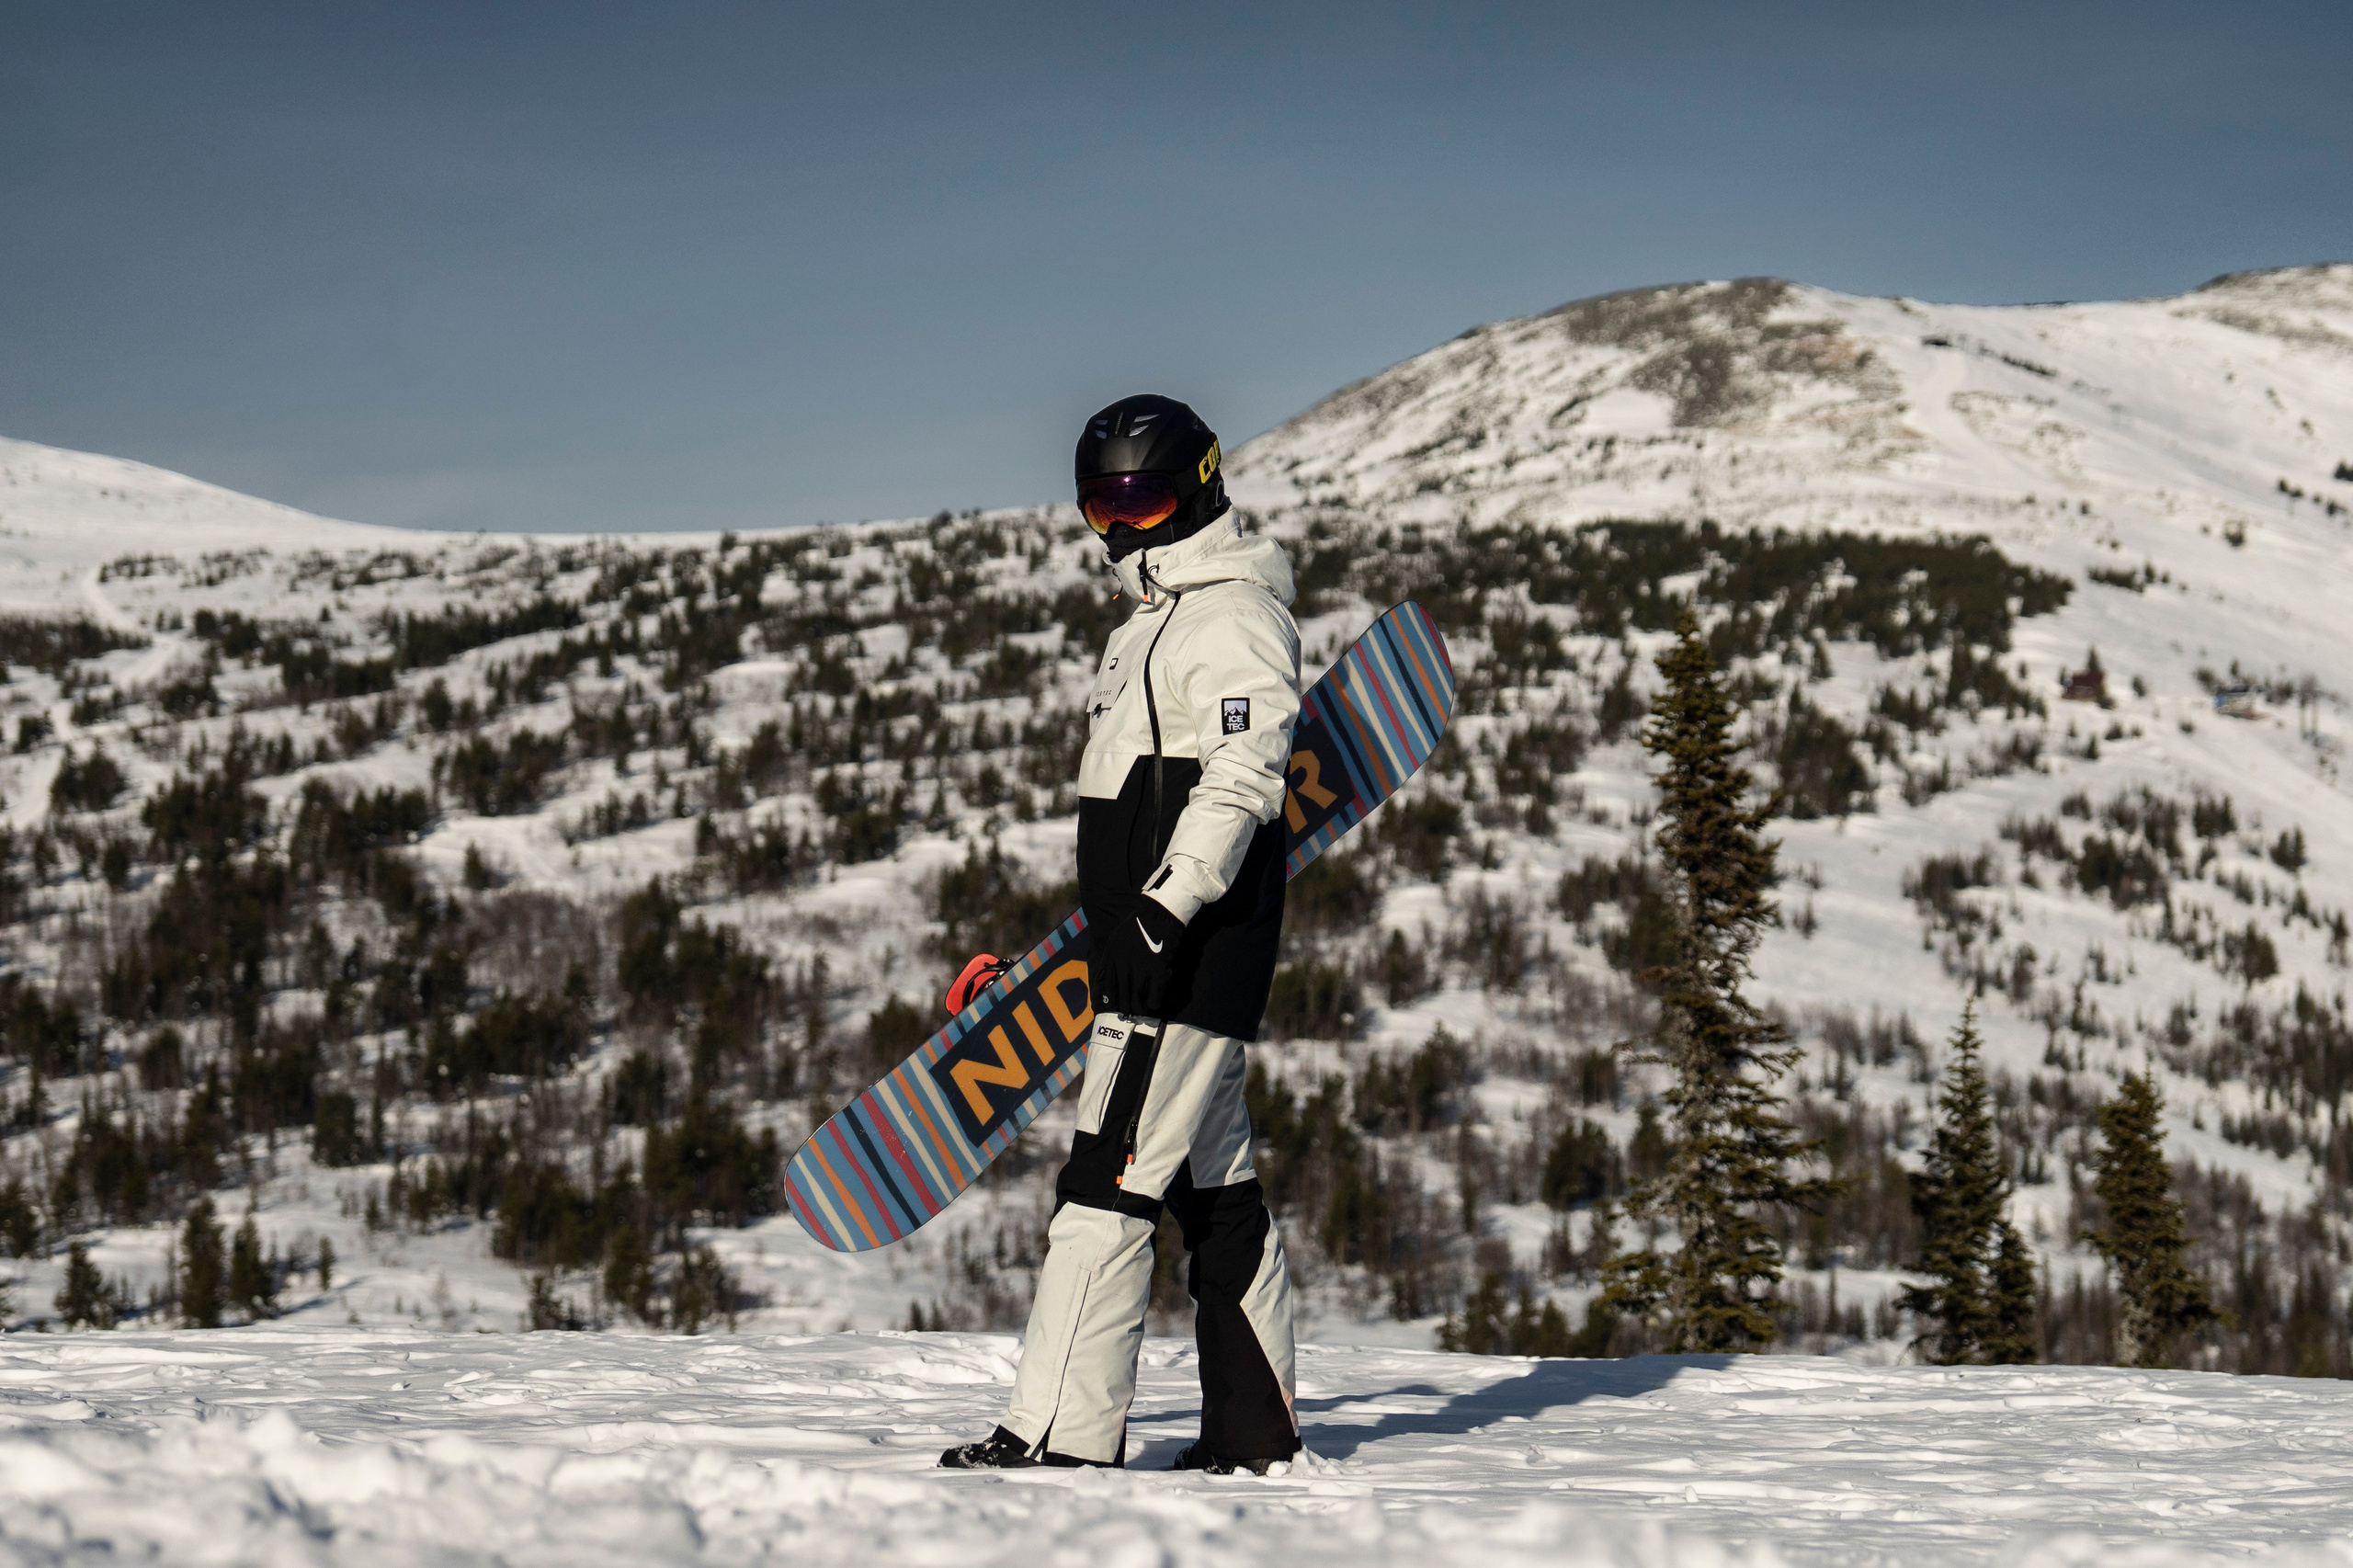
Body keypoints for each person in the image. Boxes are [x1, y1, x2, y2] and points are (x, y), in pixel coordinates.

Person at [940, 394, 1304, 1475]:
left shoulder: (1233, 614)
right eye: (1101, 500)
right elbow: (1134, 814)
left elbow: (1242, 776)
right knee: (1214, 1192)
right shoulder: (1148, 622)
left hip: (1185, 958)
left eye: (1139, 494)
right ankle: (1256, 1432)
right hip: (1150, 950)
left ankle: (1057, 1437)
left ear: (1195, 483)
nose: (1121, 522)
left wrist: (1164, 906)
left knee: (1106, 1186)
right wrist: (1067, 956)